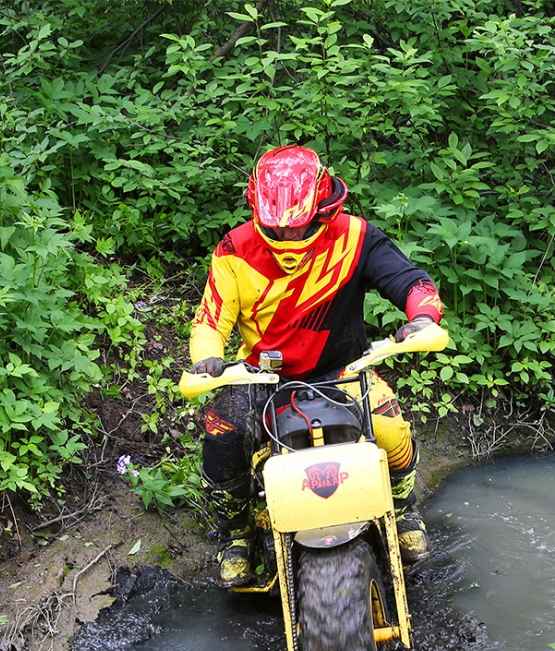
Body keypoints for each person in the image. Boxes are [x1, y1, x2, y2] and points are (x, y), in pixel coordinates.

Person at [189, 144, 444, 587]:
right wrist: (208, 360)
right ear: (257, 210)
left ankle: (403, 513)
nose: (287, 238)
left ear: (324, 209)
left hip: (346, 370)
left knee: (389, 426)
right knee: (221, 433)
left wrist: (421, 316)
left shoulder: (356, 237)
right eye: (275, 228)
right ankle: (237, 535)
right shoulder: (234, 248)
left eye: (298, 227)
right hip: (263, 377)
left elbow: (410, 281)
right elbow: (211, 320)